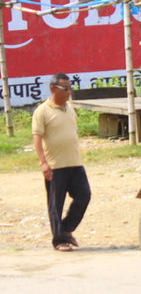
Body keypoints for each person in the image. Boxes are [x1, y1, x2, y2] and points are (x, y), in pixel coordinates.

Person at [32, 73, 91, 252]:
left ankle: (66, 229)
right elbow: (37, 138)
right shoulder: (42, 111)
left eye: (69, 88)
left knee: (84, 196)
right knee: (55, 204)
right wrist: (43, 163)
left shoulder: (70, 108)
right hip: (55, 165)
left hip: (74, 163)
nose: (68, 92)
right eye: (65, 89)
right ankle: (59, 240)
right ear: (53, 89)